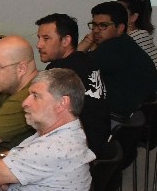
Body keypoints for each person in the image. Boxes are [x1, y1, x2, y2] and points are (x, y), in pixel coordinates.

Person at [34, 12, 110, 154]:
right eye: (39, 38)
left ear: (66, 41)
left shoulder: (60, 71)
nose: (39, 45)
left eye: (46, 39)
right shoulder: (85, 61)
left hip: (79, 149)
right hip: (99, 144)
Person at [80, 0, 157, 118]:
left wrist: (85, 44)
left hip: (123, 120)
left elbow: (70, 69)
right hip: (140, 119)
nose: (96, 30)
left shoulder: (113, 48)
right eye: (94, 25)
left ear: (120, 28)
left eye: (103, 26)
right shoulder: (124, 43)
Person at [117, 0, 157, 90]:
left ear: (133, 17)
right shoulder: (142, 35)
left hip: (152, 100)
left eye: (118, 12)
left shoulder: (132, 39)